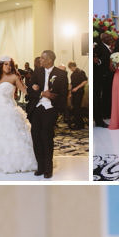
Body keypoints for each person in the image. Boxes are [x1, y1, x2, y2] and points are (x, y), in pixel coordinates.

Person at [29, 50, 68, 179]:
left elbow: (63, 94)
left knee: (46, 137)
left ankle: (48, 168)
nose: (40, 60)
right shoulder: (37, 72)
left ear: (49, 60)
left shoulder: (61, 74)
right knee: (35, 137)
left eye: (42, 58)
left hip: (50, 109)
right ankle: (40, 167)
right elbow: (29, 89)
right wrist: (41, 93)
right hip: (37, 108)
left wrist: (52, 97)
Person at [68, 62, 87, 130]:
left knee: (77, 108)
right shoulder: (72, 74)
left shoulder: (81, 72)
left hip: (79, 92)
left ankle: (79, 124)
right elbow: (72, 83)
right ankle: (78, 123)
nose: (70, 70)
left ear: (72, 67)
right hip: (74, 93)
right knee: (75, 108)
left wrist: (77, 88)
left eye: (70, 68)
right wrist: (70, 93)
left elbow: (85, 81)